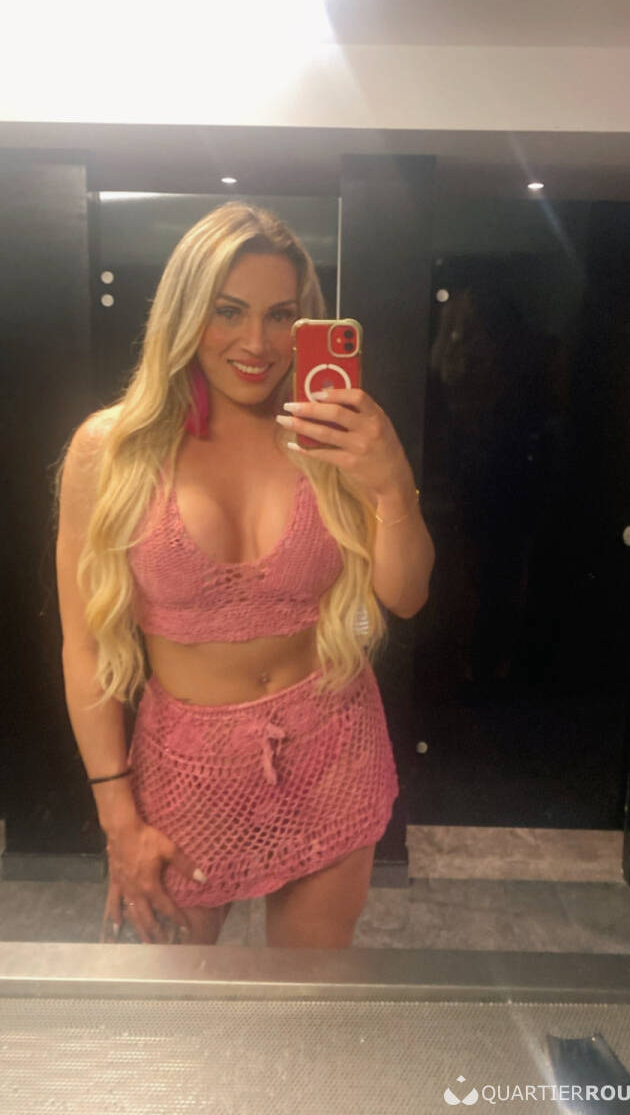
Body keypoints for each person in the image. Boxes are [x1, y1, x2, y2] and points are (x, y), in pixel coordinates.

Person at [54, 202, 436, 948]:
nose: (256, 343)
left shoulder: (333, 435)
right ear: (185, 313)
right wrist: (117, 818)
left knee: (308, 997)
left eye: (280, 315)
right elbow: (85, 648)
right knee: (173, 1002)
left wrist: (392, 485)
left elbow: (407, 595)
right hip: (184, 773)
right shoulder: (112, 450)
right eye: (227, 311)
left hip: (332, 747)